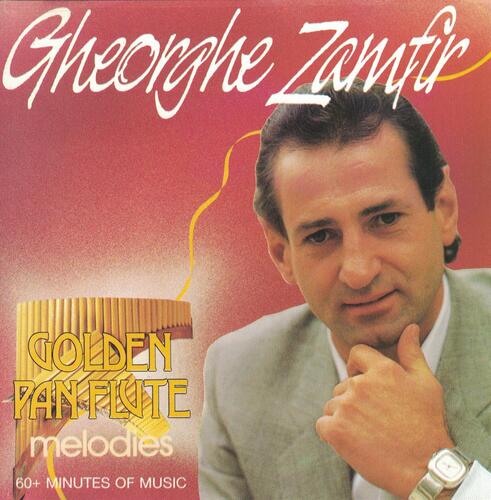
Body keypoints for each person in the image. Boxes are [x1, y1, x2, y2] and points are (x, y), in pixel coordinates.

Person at [199, 80, 491, 499]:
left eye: (385, 219)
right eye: (320, 236)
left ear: (443, 210)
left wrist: (437, 475)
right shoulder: (237, 375)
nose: (358, 272)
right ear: (282, 253)